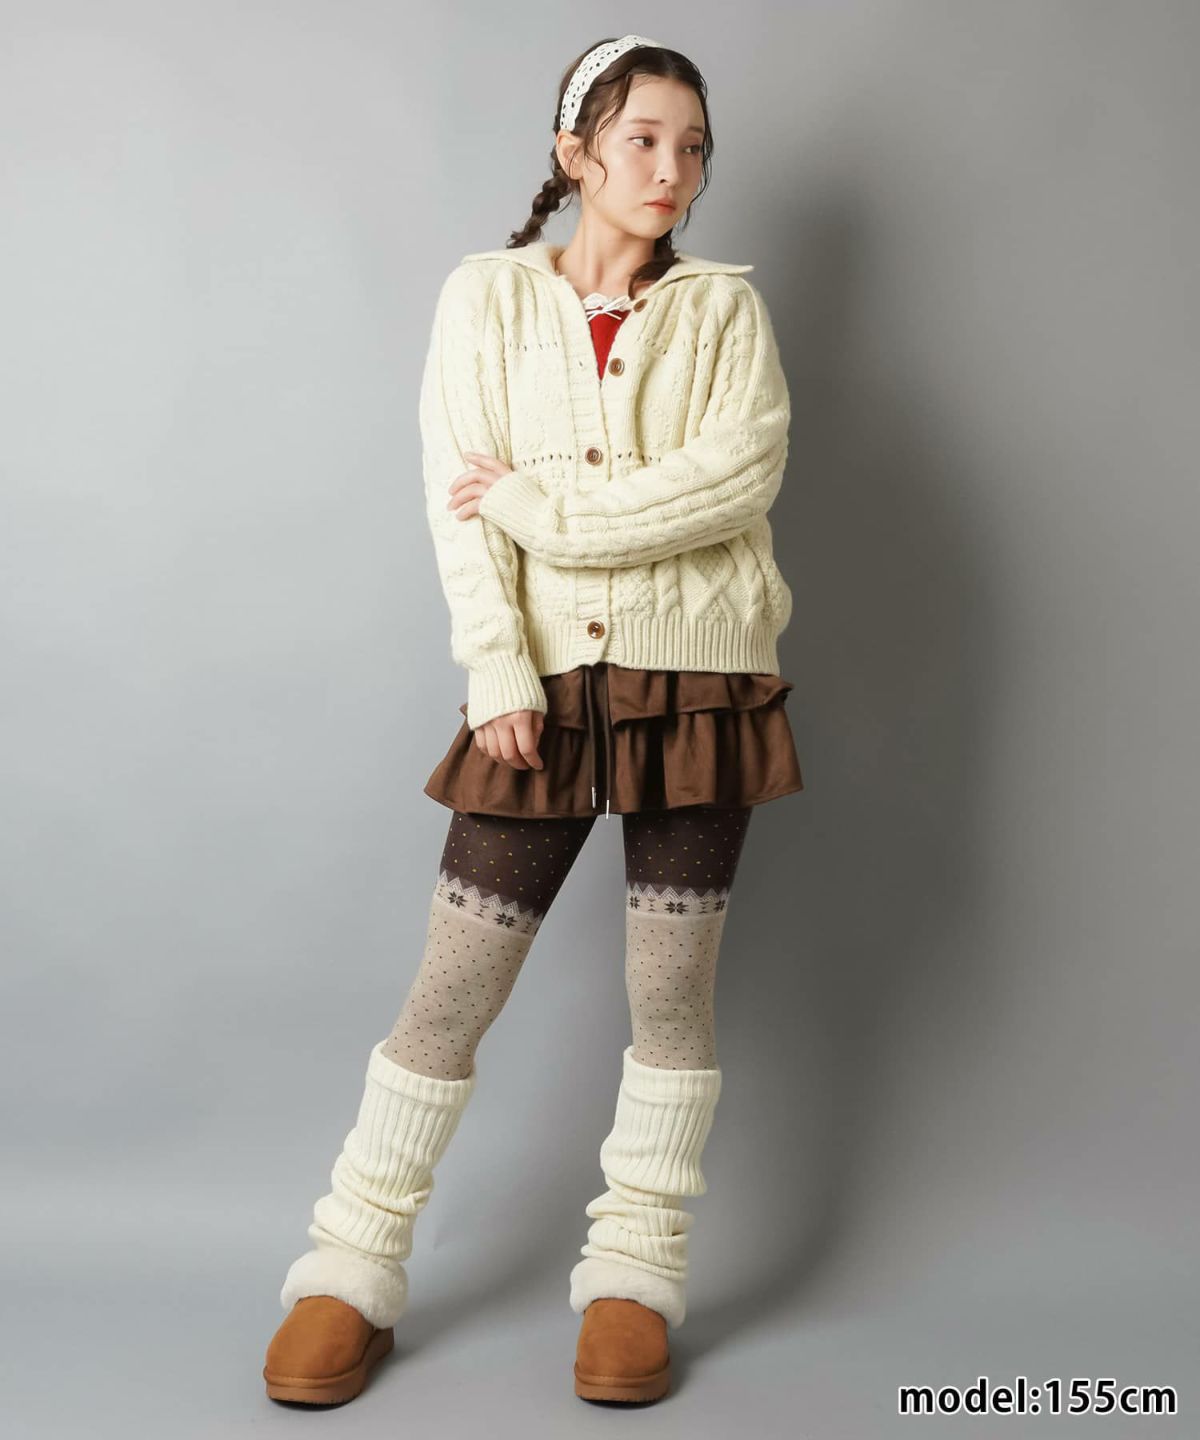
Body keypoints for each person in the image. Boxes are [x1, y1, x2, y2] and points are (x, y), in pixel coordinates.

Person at [263, 32, 803, 1408]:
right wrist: (499, 666)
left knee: (671, 997)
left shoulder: (724, 313)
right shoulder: (487, 298)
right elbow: (459, 503)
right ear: (576, 153)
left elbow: (731, 483)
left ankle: (636, 1273)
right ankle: (349, 1265)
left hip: (700, 684)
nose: (671, 169)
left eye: (693, 146)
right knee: (450, 992)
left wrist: (538, 508)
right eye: (642, 140)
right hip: (541, 687)